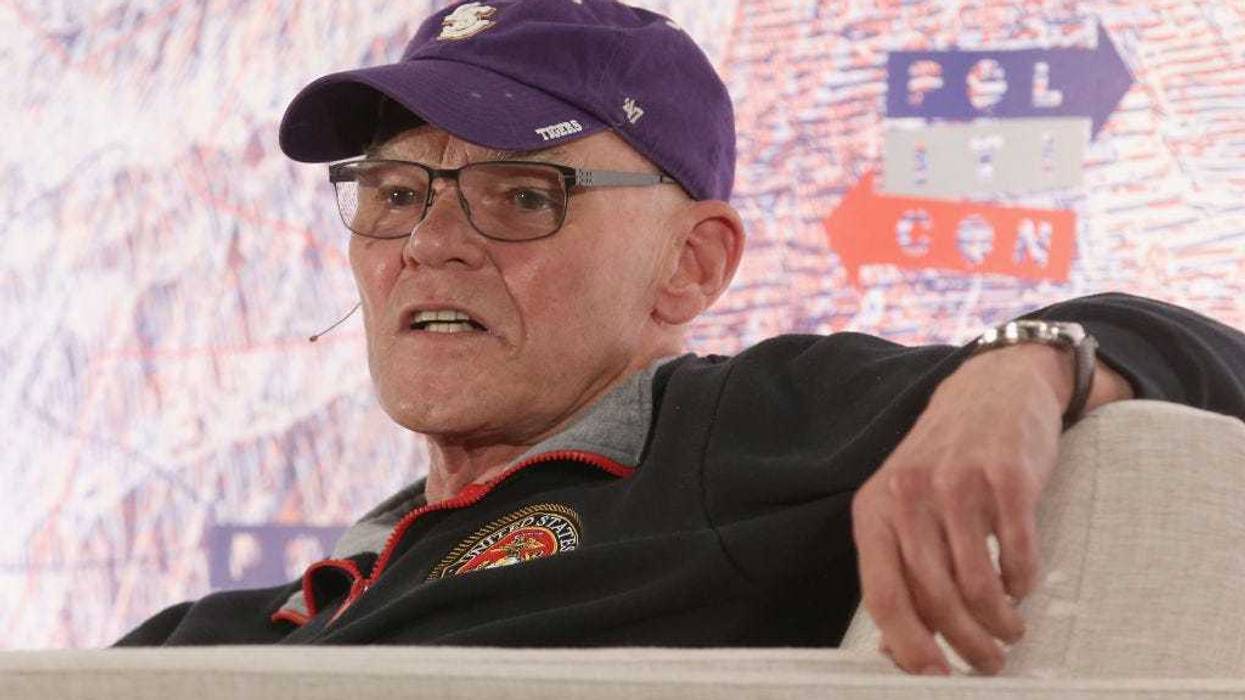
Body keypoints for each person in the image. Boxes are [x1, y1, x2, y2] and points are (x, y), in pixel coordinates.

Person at [115, 0, 1245, 677]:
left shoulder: (722, 433)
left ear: (692, 265)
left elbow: (1216, 360)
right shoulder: (289, 597)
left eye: (521, 195)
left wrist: (1025, 365)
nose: (429, 242)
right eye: (398, 191)